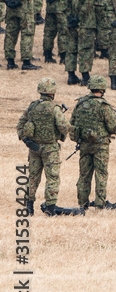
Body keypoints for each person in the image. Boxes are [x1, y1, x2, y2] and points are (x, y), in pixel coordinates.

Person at [18, 78, 74, 216]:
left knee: (33, 177)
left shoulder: (32, 107)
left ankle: (29, 208)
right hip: (50, 149)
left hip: (34, 148)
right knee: (52, 177)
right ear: (52, 93)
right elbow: (64, 127)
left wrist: (26, 140)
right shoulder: (54, 109)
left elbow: (20, 124)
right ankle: (50, 208)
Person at [70, 75, 116, 210]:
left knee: (84, 175)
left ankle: (82, 203)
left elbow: (72, 123)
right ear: (103, 89)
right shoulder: (103, 106)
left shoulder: (80, 104)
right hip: (101, 145)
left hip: (84, 144)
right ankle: (100, 203)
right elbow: (115, 127)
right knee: (101, 174)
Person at [60, 0, 97, 85]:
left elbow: (63, 0)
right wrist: (80, 16)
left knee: (71, 47)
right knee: (85, 48)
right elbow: (88, 3)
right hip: (86, 22)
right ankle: (85, 76)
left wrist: (70, 16)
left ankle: (71, 75)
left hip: (70, 22)